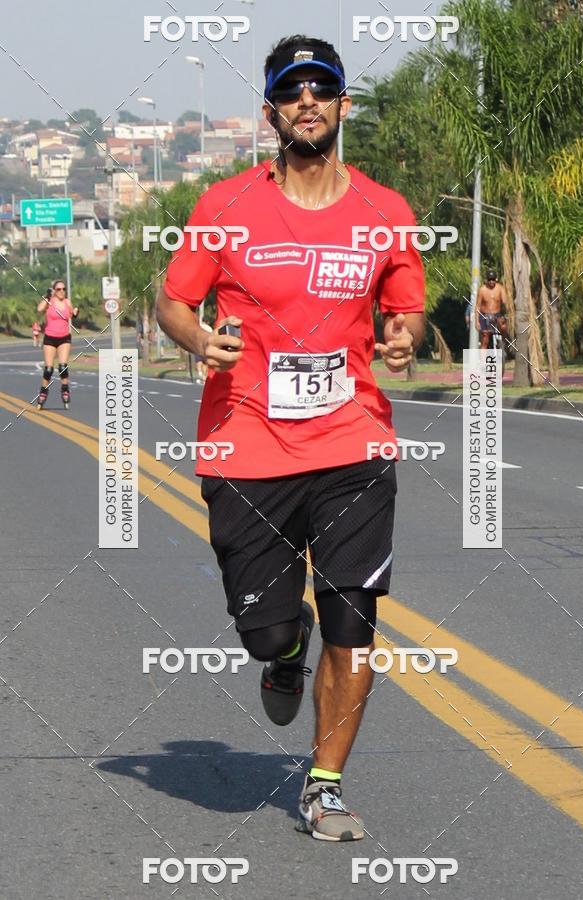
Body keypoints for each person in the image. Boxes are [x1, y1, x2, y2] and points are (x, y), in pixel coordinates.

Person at [157, 35, 425, 841]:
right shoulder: (224, 207)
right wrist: (199, 340)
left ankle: (325, 786)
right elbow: (173, 302)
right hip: (247, 444)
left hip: (353, 443)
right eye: (292, 90)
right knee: (272, 628)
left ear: (344, 105)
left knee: (356, 618)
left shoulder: (386, 212)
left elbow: (405, 304)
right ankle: (283, 648)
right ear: (271, 111)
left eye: (323, 88)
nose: (308, 101)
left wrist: (405, 336)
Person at [36, 280, 78, 410]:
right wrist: (48, 295)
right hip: (50, 338)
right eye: (58, 289)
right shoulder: (50, 301)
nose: (61, 291)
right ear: (54, 290)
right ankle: (43, 392)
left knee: (63, 367)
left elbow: (73, 314)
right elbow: (39, 309)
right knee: (48, 369)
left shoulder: (67, 302)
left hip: (64, 338)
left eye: (63, 289)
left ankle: (65, 390)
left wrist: (76, 312)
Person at [475, 269, 507, 349]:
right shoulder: (482, 290)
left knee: (503, 327)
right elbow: (478, 306)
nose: (491, 281)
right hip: (484, 315)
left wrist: (505, 314)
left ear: (496, 279)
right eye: (489, 279)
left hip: (497, 314)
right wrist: (477, 321)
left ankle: (503, 343)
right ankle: (483, 360)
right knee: (485, 338)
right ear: (487, 280)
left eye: (493, 279)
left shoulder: (500, 288)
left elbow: (505, 302)